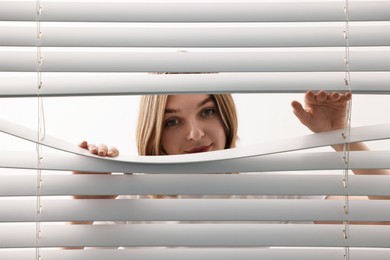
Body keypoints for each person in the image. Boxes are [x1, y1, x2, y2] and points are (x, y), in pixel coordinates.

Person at [76, 90, 389, 223]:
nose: (195, 134)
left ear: (225, 115)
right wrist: (83, 207)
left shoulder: (262, 191)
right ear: (153, 129)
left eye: (207, 111)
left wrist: (339, 136)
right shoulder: (129, 198)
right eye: (173, 121)